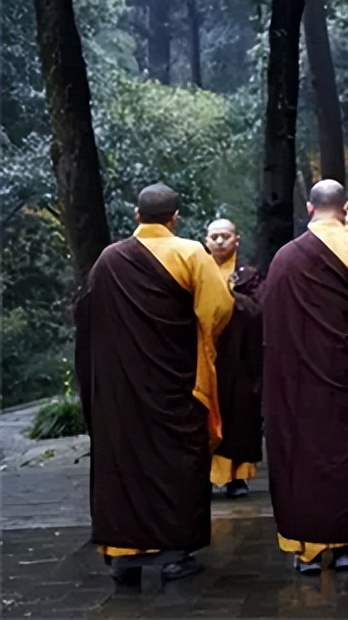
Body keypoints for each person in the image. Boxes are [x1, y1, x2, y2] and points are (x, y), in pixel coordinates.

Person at [74, 183, 234, 585]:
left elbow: (87, 314)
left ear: (136, 216)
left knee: (124, 461)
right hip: (174, 383)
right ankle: (174, 552)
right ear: (174, 217)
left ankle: (123, 554)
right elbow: (218, 311)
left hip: (120, 389)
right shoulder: (189, 254)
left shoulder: (109, 259)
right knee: (175, 462)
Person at [261, 180, 348, 575]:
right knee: (345, 456)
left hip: (295, 381)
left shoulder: (284, 259)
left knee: (301, 457)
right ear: (345, 208)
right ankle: (344, 547)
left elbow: (269, 317)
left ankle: (304, 549)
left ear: (309, 208)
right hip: (346, 374)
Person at [204, 219, 263, 499]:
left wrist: (230, 299)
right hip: (206, 357)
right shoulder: (197, 271)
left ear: (236, 240)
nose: (219, 241)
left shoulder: (248, 276)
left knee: (238, 419)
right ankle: (202, 474)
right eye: (213, 237)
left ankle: (237, 477)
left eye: (224, 236)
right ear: (205, 241)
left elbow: (259, 311)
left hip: (239, 359)